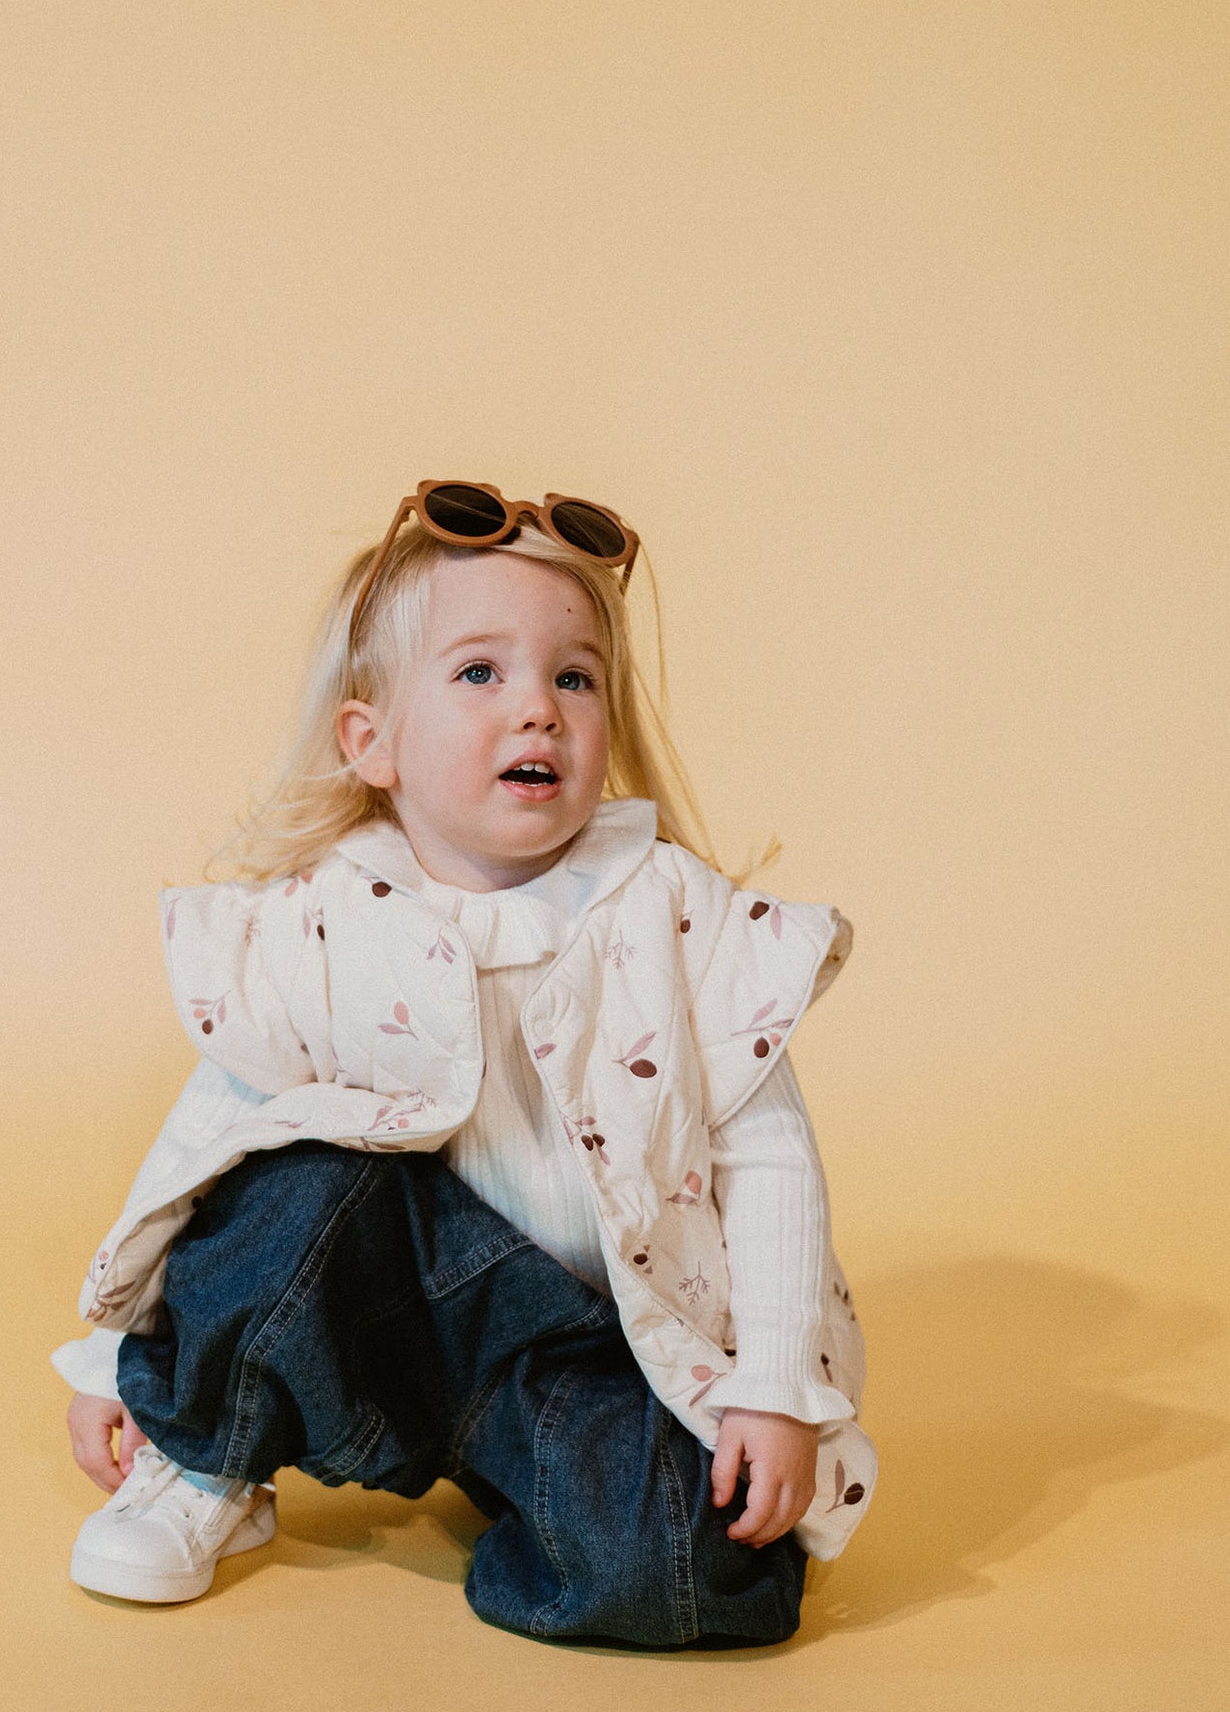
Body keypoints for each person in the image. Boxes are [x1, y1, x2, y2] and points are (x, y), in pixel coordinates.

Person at [53, 482, 876, 1648]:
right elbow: (209, 1136)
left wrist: (772, 1387)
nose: (536, 709)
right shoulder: (330, 919)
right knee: (288, 1180)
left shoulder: (675, 917)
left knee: (695, 1573)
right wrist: (115, 1352)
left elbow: (772, 1158)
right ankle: (206, 1457)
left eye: (573, 678)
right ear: (372, 742)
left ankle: (540, 1479)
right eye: (479, 673)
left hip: (607, 1348)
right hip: (407, 1294)